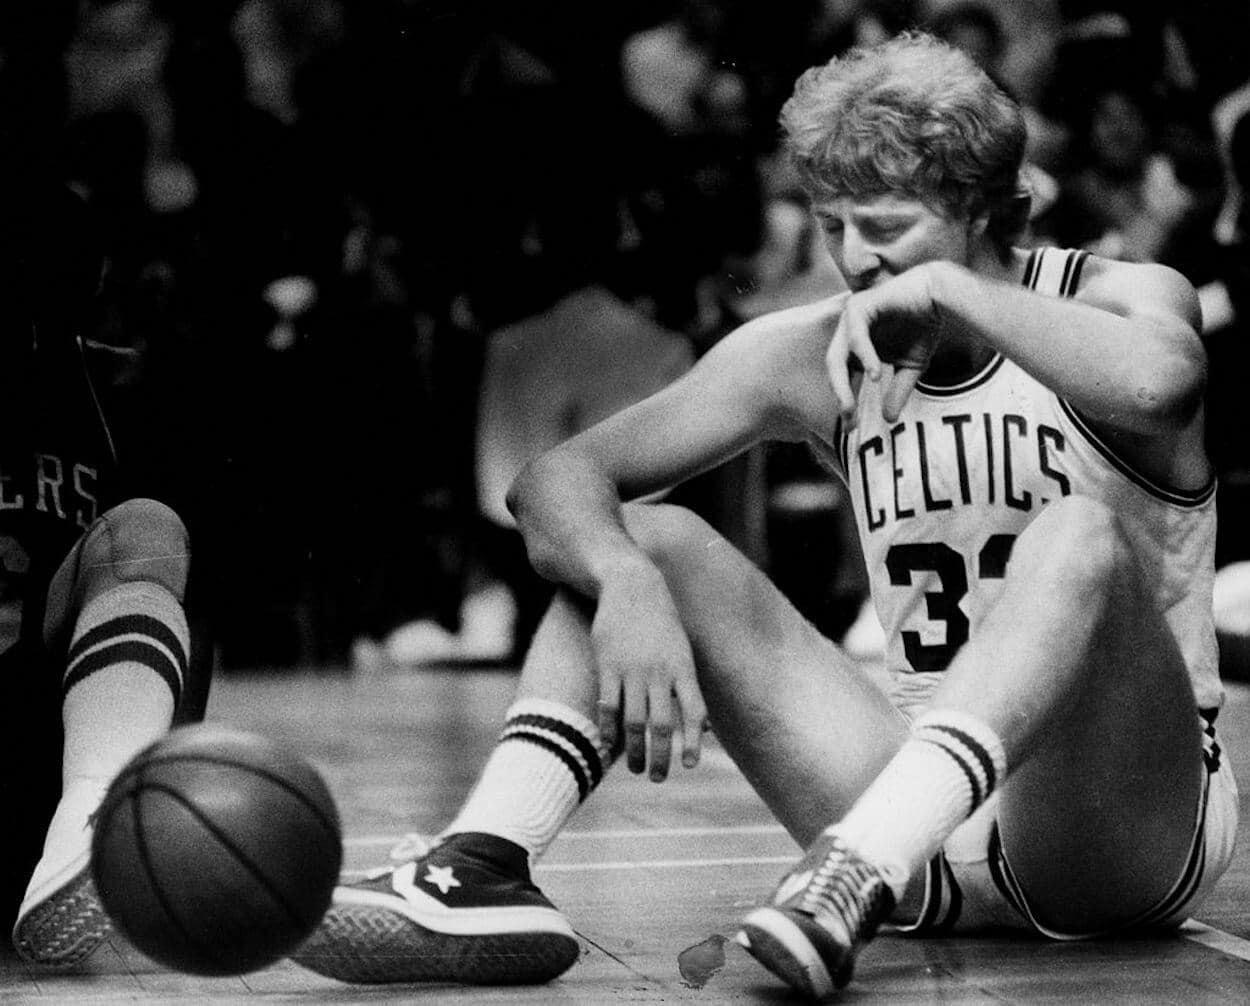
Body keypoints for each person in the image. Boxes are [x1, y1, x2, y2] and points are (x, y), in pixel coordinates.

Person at [292, 32, 1235, 999]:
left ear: (996, 212)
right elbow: (555, 480)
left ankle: (851, 870)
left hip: (1120, 825)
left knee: (1076, 533)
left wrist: (947, 291)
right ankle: (483, 863)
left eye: (887, 226)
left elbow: (1162, 387)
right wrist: (624, 586)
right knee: (645, 534)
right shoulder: (810, 351)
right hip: (922, 828)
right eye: (833, 226)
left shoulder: (1123, 296)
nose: (857, 259)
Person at [1, 179, 200, 966]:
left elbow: (187, 615)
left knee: (148, 532)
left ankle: (93, 815)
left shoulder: (125, 387)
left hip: (40, 746)